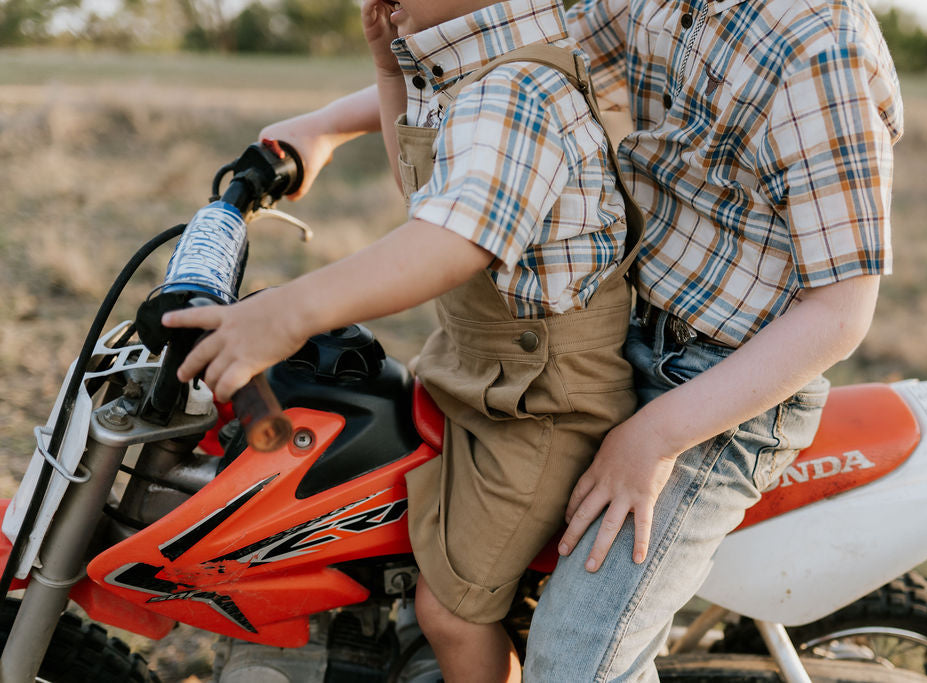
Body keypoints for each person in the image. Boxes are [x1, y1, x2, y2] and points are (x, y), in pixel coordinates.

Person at [163, 0, 644, 681]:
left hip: (545, 410)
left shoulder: (519, 93)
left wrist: (292, 311)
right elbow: (425, 191)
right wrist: (389, 70)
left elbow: (448, 240)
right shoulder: (468, 69)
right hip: (479, 372)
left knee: (452, 610)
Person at [521, 0, 905, 679]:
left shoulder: (816, 43)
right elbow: (517, 53)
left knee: (573, 657)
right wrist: (324, 126)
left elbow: (844, 309)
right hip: (625, 326)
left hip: (727, 388)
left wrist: (654, 435)